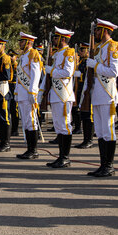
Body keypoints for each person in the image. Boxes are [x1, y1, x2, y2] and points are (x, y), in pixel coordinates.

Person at [84, 19, 118, 177]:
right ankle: (103, 164)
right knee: (100, 131)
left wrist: (96, 66)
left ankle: (109, 166)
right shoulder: (99, 48)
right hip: (97, 94)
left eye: (98, 30)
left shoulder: (113, 46)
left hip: (107, 94)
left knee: (108, 130)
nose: (97, 33)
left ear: (105, 30)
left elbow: (114, 71)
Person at [44, 28, 76, 168]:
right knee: (58, 125)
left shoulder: (69, 52)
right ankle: (61, 156)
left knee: (64, 125)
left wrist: (51, 71)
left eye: (56, 38)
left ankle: (65, 157)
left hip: (64, 94)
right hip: (56, 93)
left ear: (63, 39)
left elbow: (68, 72)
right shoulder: (58, 54)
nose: (54, 41)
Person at [13, 32, 44, 159]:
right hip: (22, 93)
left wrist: (32, 91)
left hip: (29, 93)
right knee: (26, 122)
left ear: (28, 42)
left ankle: (33, 150)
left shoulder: (33, 54)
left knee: (31, 122)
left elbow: (36, 74)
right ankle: (29, 149)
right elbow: (19, 76)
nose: (20, 43)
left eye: (22, 41)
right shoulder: (23, 56)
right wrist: (16, 91)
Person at [73, 43, 94, 149]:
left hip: (87, 91)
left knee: (88, 115)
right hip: (81, 90)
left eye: (82, 49)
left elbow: (89, 76)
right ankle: (86, 139)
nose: (80, 52)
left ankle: (89, 140)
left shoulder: (88, 61)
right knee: (83, 114)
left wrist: (79, 74)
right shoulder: (82, 61)